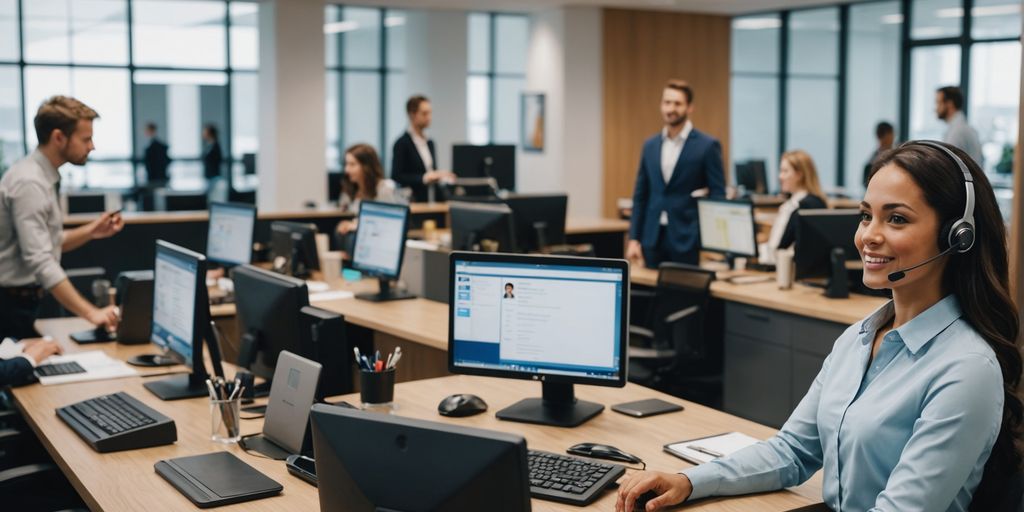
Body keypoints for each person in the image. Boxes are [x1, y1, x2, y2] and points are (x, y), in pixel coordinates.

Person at [616, 141, 1021, 512]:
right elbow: (792, 452)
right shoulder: (858, 339)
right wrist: (688, 481)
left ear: (957, 236)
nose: (868, 236)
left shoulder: (965, 368)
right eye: (866, 216)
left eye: (896, 219)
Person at [0, 96, 123, 339]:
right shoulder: (30, 183)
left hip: (21, 302)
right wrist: (92, 313)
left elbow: (48, 242)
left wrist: (91, 231)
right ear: (58, 137)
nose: (92, 146)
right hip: (9, 306)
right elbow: (41, 260)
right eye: (86, 138)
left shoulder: (43, 177)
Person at [626, 80, 726, 268]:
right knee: (652, 295)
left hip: (688, 237)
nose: (671, 108)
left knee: (683, 295)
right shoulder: (650, 145)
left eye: (677, 103)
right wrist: (633, 239)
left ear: (689, 108)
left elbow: (717, 195)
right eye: (667, 102)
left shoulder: (707, 145)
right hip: (652, 237)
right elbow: (640, 195)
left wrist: (711, 240)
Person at [759, 150, 827, 263]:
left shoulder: (805, 206)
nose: (780, 176)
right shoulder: (792, 204)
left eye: (785, 171)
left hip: (788, 269)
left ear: (799, 175)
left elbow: (781, 248)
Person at [391, 95, 454, 202]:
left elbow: (431, 170)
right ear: (412, 115)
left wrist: (440, 175)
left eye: (430, 113)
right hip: (415, 200)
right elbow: (397, 176)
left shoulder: (430, 142)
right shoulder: (402, 143)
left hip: (434, 198)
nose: (429, 117)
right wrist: (424, 178)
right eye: (424, 113)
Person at [335, 143, 406, 237]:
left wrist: (358, 226)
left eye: (352, 164)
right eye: (346, 164)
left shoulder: (383, 189)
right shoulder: (351, 189)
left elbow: (389, 224)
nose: (347, 170)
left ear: (366, 167)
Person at [936, 86, 983, 165]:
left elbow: (949, 165)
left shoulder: (957, 132)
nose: (936, 108)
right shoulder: (966, 128)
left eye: (938, 103)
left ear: (949, 104)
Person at [140, 121, 171, 211]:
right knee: (158, 203)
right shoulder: (160, 146)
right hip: (159, 178)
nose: (145, 132)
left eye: (146, 130)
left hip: (155, 179)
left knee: (156, 204)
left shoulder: (156, 146)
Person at [863, 121, 894, 187]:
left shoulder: (872, 159)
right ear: (887, 135)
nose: (893, 137)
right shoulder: (872, 162)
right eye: (892, 133)